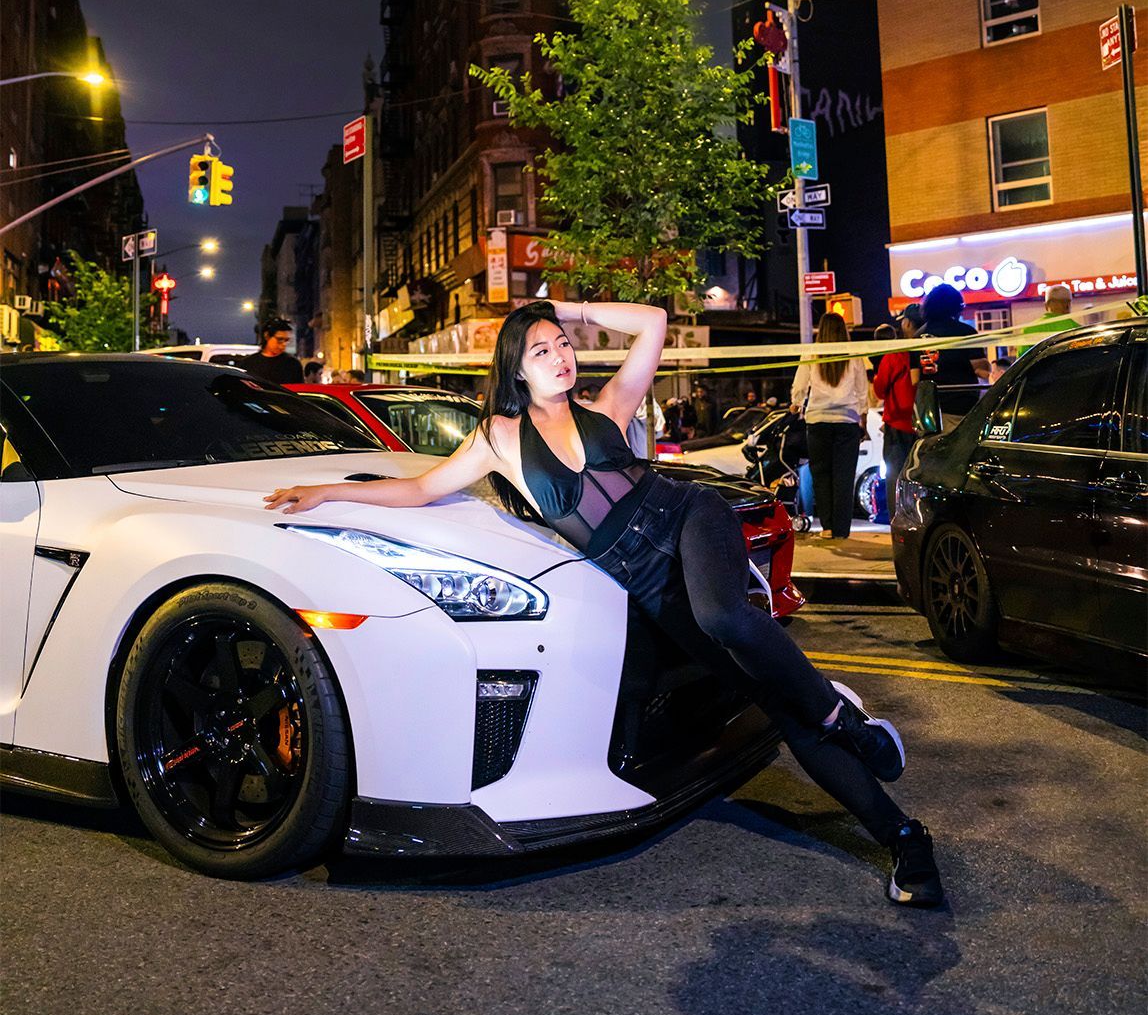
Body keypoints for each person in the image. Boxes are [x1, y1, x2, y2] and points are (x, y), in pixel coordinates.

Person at [265, 299, 943, 907]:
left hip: (690, 522)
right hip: (651, 588)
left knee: (724, 617)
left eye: (563, 342)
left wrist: (568, 305)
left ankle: (848, 723)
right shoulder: (499, 440)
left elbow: (652, 321)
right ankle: (905, 835)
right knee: (777, 705)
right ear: (517, 370)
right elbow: (420, 491)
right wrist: (328, 492)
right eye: (541, 349)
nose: (560, 355)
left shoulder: (609, 406)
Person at [790, 312, 870, 541]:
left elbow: (799, 386)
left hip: (817, 421)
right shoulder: (854, 354)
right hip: (847, 421)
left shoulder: (812, 353)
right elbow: (862, 389)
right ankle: (842, 530)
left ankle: (826, 527)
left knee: (822, 476)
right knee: (844, 477)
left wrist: (796, 404)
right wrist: (862, 416)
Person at [872, 304, 923, 524]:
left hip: (897, 424)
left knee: (894, 476)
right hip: (924, 424)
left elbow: (880, 389)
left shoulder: (894, 354)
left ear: (908, 324)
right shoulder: (931, 347)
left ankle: (898, 522)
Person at [911, 283, 989, 420]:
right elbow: (981, 371)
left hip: (928, 409)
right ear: (956, 307)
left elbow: (914, 379)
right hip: (960, 407)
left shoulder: (917, 336)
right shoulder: (965, 332)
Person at [237, 319, 304, 386]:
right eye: (280, 339)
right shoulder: (248, 363)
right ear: (267, 336)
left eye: (286, 340)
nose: (284, 344)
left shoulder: (293, 364)